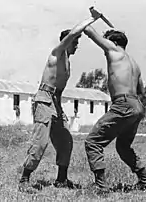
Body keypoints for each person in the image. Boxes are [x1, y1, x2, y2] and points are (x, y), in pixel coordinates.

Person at [19, 10, 102, 193]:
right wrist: (91, 20)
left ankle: (61, 180)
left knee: (66, 141)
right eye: (76, 42)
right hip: (44, 100)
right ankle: (24, 180)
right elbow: (72, 33)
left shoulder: (68, 61)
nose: (77, 46)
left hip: (55, 102)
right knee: (40, 142)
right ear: (67, 41)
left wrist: (59, 106)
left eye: (78, 43)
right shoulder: (57, 53)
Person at [83, 24, 146, 192]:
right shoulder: (134, 63)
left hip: (123, 104)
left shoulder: (114, 51)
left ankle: (101, 187)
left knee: (93, 141)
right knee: (123, 147)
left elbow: (89, 31)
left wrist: (92, 18)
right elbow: (142, 90)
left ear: (113, 42)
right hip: (136, 105)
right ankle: (144, 182)